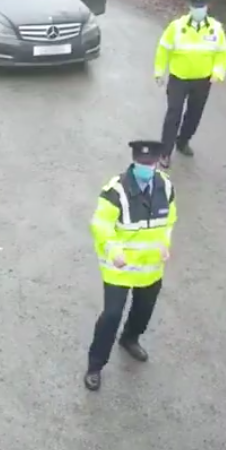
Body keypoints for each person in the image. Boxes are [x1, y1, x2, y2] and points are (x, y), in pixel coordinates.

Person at [84, 140, 177, 391]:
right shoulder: (116, 190)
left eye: (150, 164)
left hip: (150, 267)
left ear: (157, 163)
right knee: (112, 314)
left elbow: (170, 218)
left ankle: (130, 338)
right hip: (119, 268)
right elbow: (100, 224)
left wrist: (164, 243)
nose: (146, 167)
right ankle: (95, 365)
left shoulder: (165, 186)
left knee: (144, 309)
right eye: (141, 163)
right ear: (134, 162)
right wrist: (113, 249)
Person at [154, 0, 226, 168]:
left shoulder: (215, 28)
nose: (199, 10)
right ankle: (165, 152)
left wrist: (218, 72)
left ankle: (183, 141)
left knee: (194, 114)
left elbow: (222, 52)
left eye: (201, 7)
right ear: (190, 7)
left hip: (203, 80)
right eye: (196, 7)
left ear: (207, 7)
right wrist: (159, 71)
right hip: (178, 78)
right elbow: (163, 48)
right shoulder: (177, 27)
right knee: (174, 113)